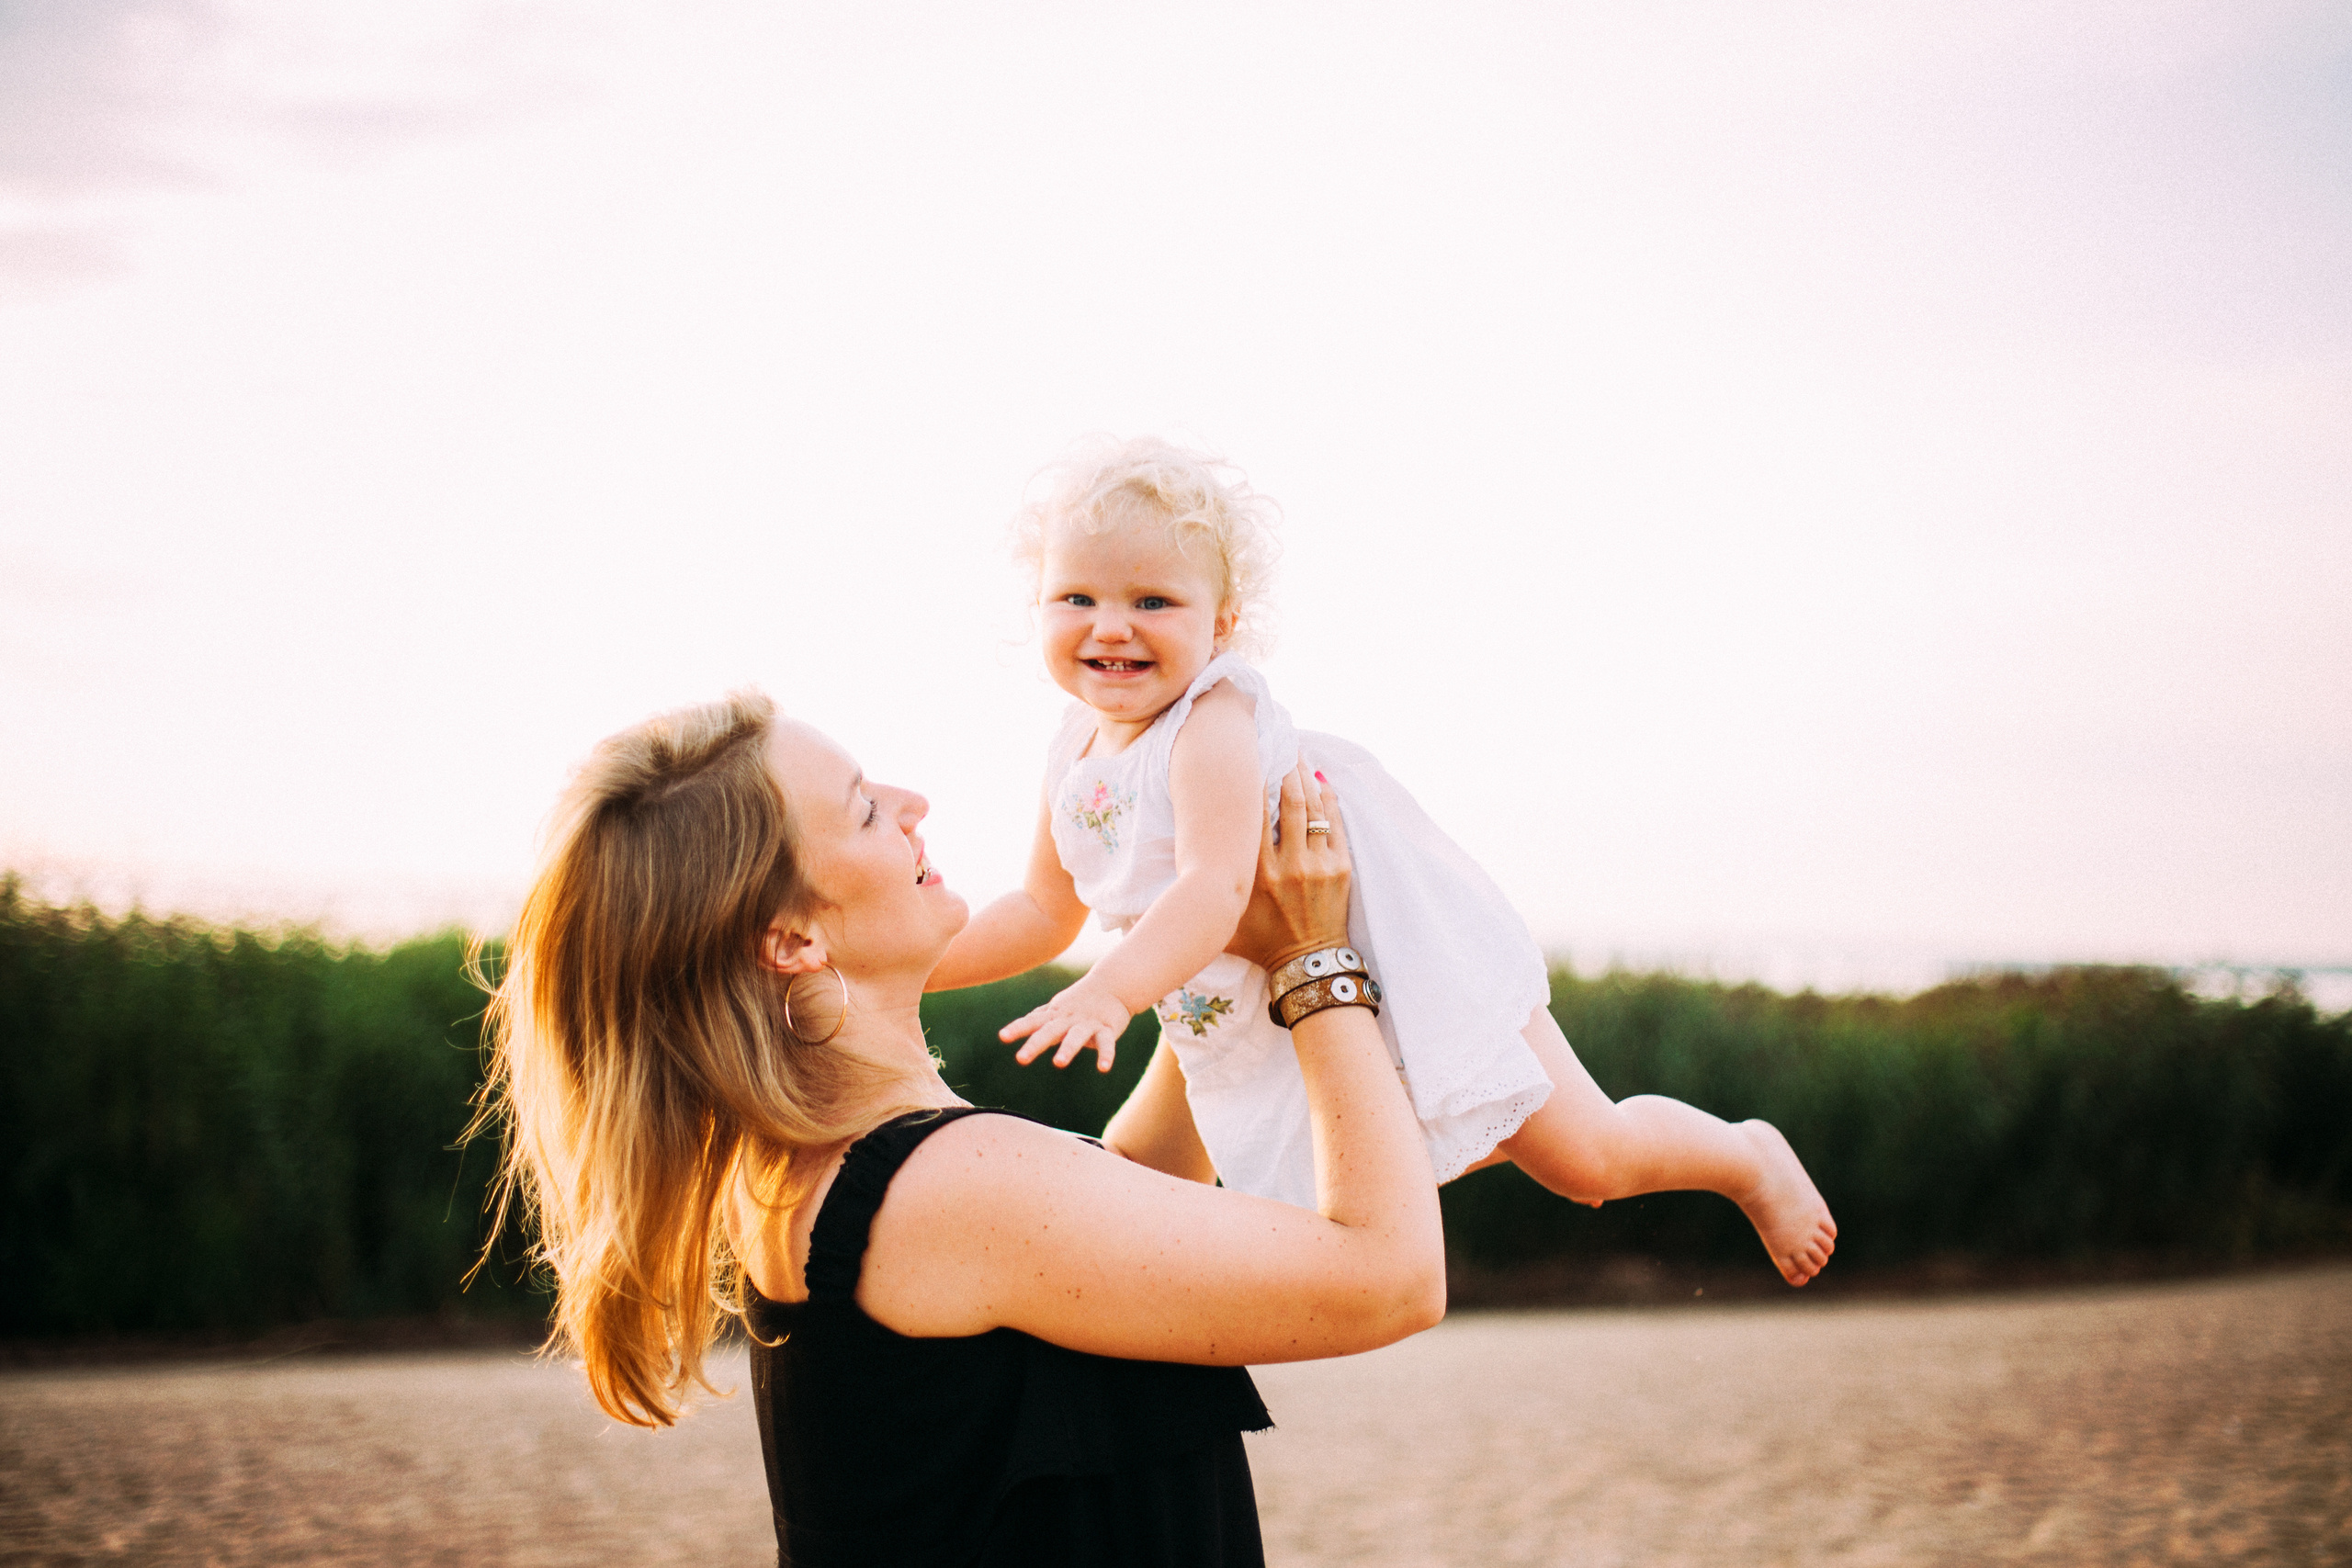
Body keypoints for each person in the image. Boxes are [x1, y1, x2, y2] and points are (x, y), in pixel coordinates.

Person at [473, 689, 1441, 1566]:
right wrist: (1315, 960)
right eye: (862, 807)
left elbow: (1128, 1198)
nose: (910, 803)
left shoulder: (810, 1173)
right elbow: (1390, 1279)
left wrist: (1214, 958)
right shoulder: (953, 1187)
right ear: (793, 940)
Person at [926, 436, 1838, 1286]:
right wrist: (903, 972)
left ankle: (1745, 1155)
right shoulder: (1074, 747)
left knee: (1585, 1159)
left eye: (1152, 601)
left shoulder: (1208, 723)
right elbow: (1043, 911)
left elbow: (1216, 885)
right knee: (1181, 1172)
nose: (1111, 627)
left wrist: (1109, 992)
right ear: (1038, 605)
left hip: (1393, 952)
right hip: (1231, 985)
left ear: (1222, 624)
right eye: (1077, 599)